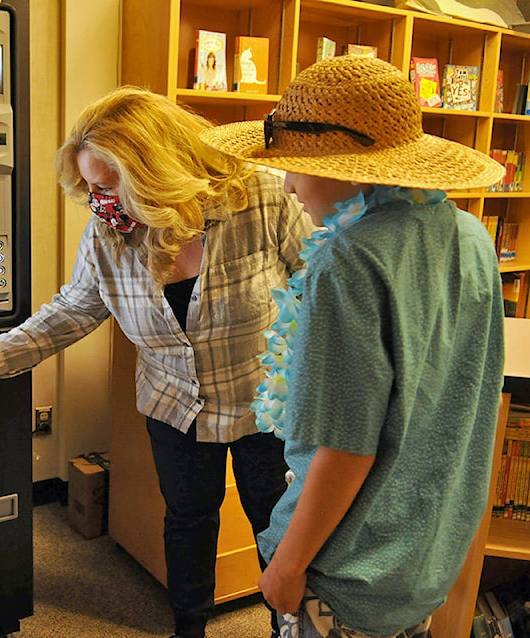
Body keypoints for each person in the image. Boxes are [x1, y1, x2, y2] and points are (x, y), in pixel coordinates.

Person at [0, 86, 314, 638]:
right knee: (187, 519)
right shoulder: (109, 233)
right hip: (174, 401)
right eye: (89, 187)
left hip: (267, 400)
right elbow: (72, 310)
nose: (97, 202)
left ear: (156, 171)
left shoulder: (262, 196)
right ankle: (190, 627)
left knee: (276, 523)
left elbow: (322, 285)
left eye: (107, 186)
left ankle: (289, 626)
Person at [201, 56, 506, 637]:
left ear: (355, 168)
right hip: (425, 546)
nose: (288, 186)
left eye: (299, 167)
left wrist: (287, 564)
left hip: (349, 561)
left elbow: (344, 446)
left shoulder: (348, 261)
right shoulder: (470, 234)